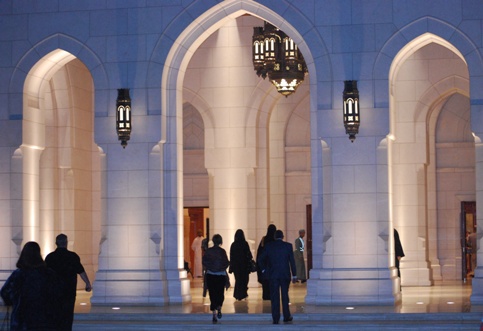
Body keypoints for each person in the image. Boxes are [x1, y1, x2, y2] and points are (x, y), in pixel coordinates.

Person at [1, 241, 62, 330]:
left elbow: (5, 292)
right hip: (44, 318)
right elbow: (58, 292)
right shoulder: (49, 274)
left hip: (22, 319)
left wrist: (14, 301)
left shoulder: (18, 274)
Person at [45, 234, 92, 331]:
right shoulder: (72, 256)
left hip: (54, 291)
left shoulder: (50, 257)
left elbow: (45, 274)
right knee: (67, 315)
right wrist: (87, 283)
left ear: (56, 243)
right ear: (66, 243)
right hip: (68, 291)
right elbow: (81, 271)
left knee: (55, 315)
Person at [259, 230, 297, 324]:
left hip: (273, 275)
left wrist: (264, 270)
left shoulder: (269, 246)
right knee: (285, 296)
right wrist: (294, 274)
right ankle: (286, 316)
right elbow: (292, 261)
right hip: (285, 275)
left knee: (275, 297)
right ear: (283, 236)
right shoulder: (288, 246)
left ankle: (275, 318)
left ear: (275, 237)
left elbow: (260, 259)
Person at [202, 234, 229, 323]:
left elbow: (204, 261)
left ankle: (214, 313)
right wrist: (220, 267)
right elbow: (226, 263)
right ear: (220, 241)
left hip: (211, 275)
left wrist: (211, 267)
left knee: (212, 294)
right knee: (220, 293)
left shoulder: (209, 251)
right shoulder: (222, 251)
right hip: (220, 275)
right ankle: (219, 307)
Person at [229, 229, 253, 301]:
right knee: (244, 280)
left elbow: (231, 256)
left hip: (236, 266)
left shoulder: (233, 245)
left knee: (238, 280)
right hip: (244, 265)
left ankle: (237, 294)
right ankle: (243, 293)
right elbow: (248, 255)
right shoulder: (245, 244)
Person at [256, 224, 276, 300]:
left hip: (265, 265)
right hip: (273, 264)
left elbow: (259, 252)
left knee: (265, 281)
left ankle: (266, 296)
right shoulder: (275, 240)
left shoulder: (264, 239)